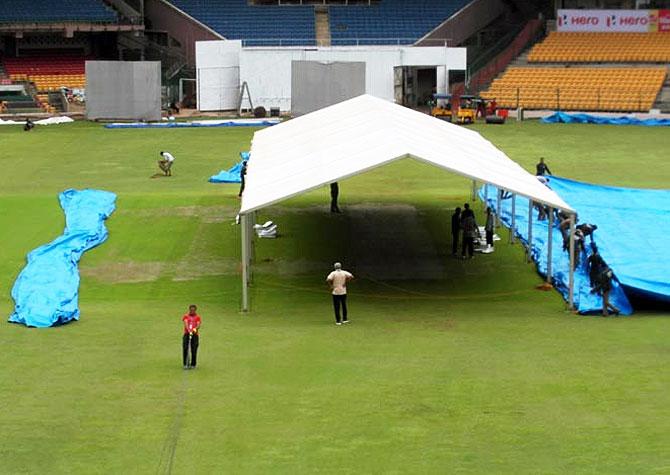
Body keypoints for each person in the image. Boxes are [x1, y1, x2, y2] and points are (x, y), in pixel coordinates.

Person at [587, 243, 620, 316]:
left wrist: (594, 290)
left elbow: (601, 284)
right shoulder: (607, 270)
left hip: (605, 288)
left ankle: (616, 310)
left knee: (606, 302)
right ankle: (605, 313)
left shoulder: (601, 275)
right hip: (607, 287)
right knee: (604, 301)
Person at [182, 304, 201, 369]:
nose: (192, 311)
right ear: (189, 310)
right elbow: (186, 323)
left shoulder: (197, 317)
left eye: (193, 310)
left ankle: (193, 364)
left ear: (195, 310)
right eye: (191, 310)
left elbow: (198, 325)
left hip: (195, 335)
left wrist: (194, 329)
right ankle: (185, 364)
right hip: (187, 334)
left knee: (194, 349)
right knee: (185, 348)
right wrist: (189, 330)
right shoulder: (186, 316)